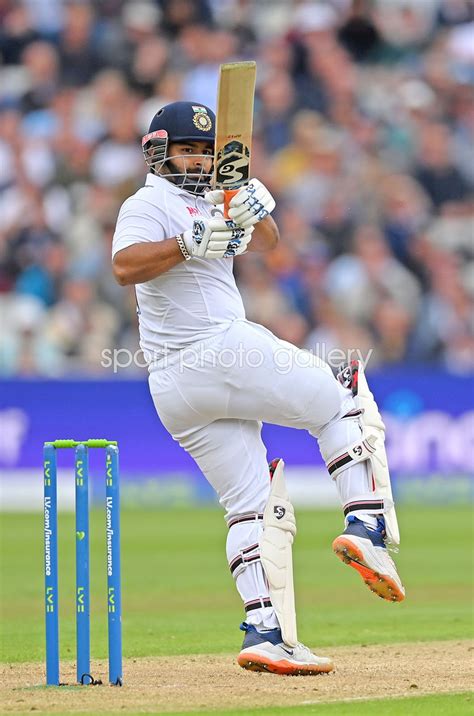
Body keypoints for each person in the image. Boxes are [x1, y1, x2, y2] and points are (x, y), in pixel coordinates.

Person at [112, 100, 405, 676]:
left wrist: (250, 205)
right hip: (214, 350)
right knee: (341, 394)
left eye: (203, 150)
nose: (196, 159)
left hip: (175, 389)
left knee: (251, 505)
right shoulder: (146, 203)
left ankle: (264, 631)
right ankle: (367, 525)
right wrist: (186, 243)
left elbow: (267, 242)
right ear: (158, 152)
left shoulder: (215, 190)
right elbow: (124, 266)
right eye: (185, 149)